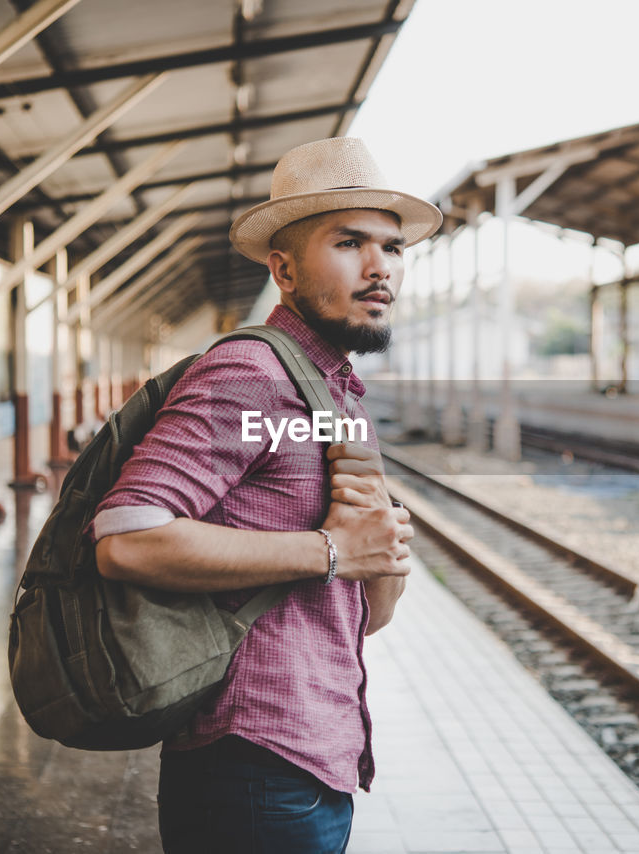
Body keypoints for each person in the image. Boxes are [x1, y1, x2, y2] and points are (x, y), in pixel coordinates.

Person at [92, 136, 442, 853]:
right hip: (250, 765)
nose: (380, 268)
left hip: (319, 756)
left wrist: (378, 556)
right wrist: (334, 548)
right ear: (283, 269)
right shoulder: (249, 374)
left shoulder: (337, 396)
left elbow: (362, 612)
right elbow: (125, 537)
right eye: (349, 243)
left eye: (392, 247)